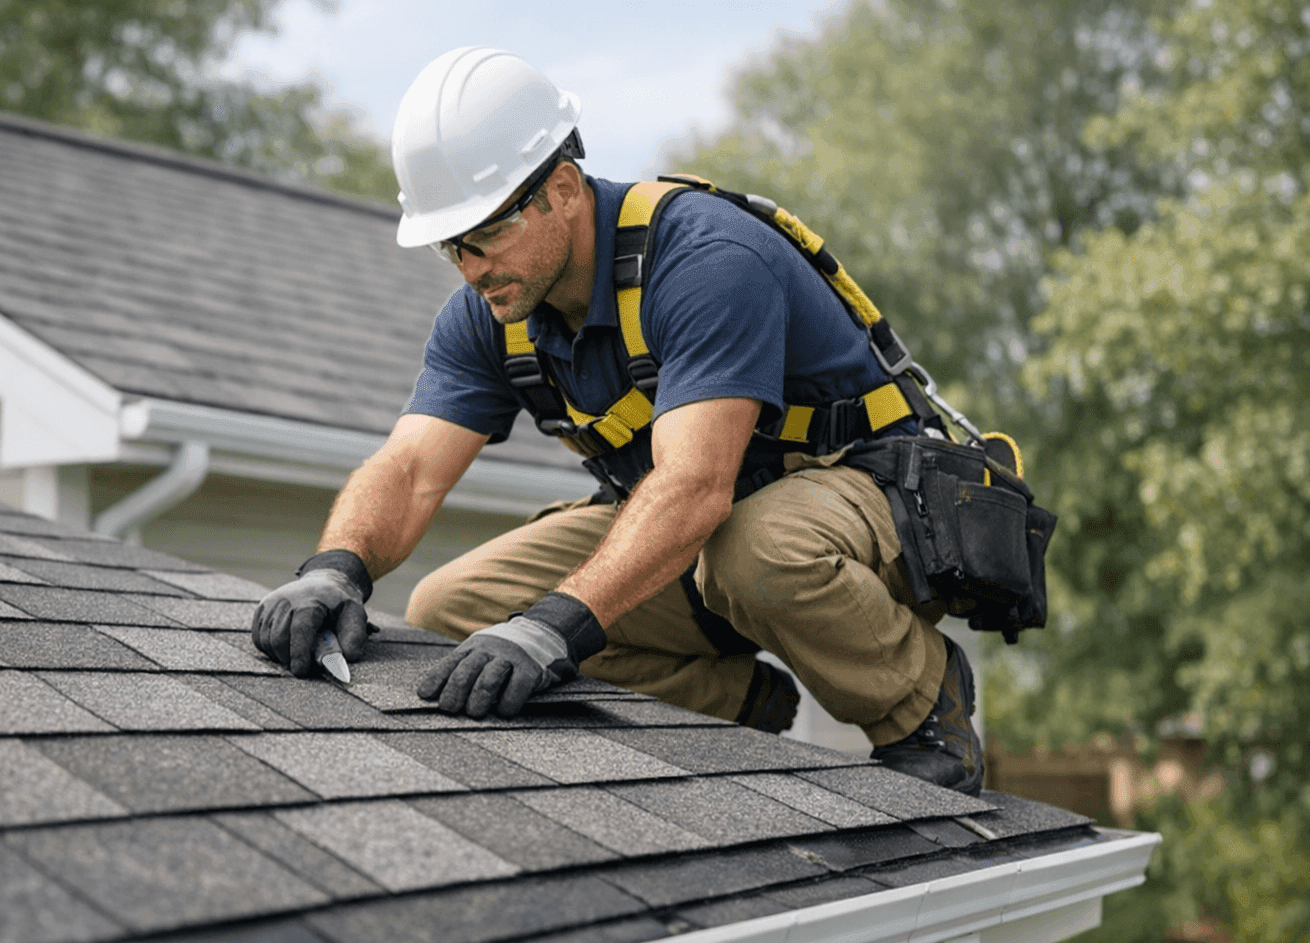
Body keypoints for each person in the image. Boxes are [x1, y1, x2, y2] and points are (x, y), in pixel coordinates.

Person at [252, 46, 984, 794]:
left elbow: (696, 487)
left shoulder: (705, 260)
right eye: (451, 245)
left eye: (485, 235)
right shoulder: (491, 313)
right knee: (453, 607)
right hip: (704, 536)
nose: (470, 268)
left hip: (859, 498)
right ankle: (736, 703)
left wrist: (551, 628)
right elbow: (408, 471)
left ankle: (918, 704)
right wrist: (336, 569)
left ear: (563, 189)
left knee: (753, 551)